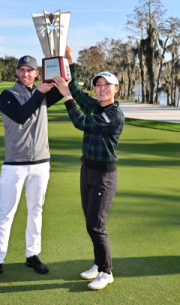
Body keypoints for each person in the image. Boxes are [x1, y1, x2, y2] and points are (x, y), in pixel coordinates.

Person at [0, 55, 62, 284]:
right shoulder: (7, 95)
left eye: (31, 70)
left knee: (35, 210)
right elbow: (20, 115)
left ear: (37, 73)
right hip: (14, 164)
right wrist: (41, 93)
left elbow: (69, 84)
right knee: (5, 214)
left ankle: (32, 254)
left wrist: (68, 60)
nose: (26, 73)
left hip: (41, 163)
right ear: (16, 73)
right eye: (22, 70)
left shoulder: (44, 93)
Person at [52, 46, 125, 290]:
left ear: (116, 89)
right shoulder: (96, 106)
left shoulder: (114, 114)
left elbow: (80, 121)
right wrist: (71, 63)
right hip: (87, 170)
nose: (102, 89)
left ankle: (107, 271)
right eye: (98, 85)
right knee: (90, 221)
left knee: (97, 224)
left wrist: (66, 97)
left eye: (107, 85)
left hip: (104, 175)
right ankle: (97, 263)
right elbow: (75, 90)